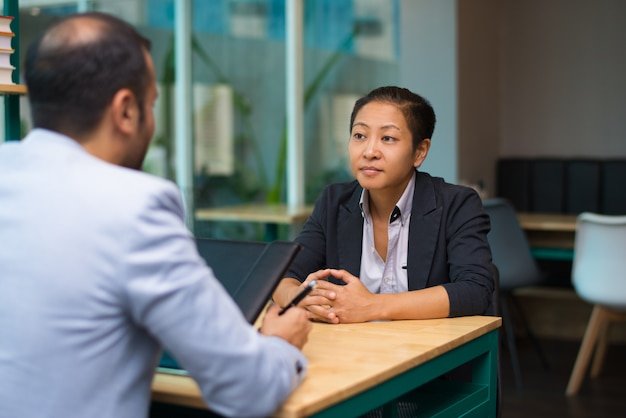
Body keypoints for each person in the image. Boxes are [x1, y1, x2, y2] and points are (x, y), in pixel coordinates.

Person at [0, 12, 311, 418]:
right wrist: (280, 344)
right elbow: (246, 388)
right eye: (151, 105)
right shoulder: (133, 205)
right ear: (126, 110)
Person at [273, 86, 494, 324]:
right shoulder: (334, 202)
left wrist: (372, 306)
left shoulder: (457, 204)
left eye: (388, 138)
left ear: (419, 152)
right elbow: (282, 275)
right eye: (360, 136)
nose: (369, 151)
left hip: (429, 351)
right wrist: (297, 298)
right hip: (354, 352)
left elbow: (475, 290)